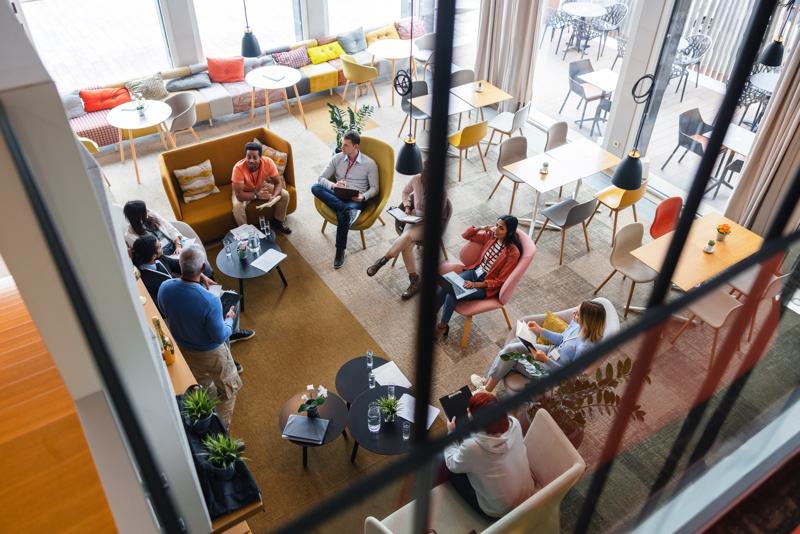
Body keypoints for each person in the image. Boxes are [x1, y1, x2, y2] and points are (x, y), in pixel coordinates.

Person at [157, 246, 254, 427]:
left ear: (180, 264)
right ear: (202, 269)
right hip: (210, 353)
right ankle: (222, 428)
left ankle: (208, 412)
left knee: (203, 384)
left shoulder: (165, 287)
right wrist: (228, 320)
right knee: (228, 390)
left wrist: (201, 281)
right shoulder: (210, 300)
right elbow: (219, 336)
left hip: (184, 350)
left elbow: (164, 311)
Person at [471, 300, 607, 392]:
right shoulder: (576, 324)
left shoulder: (586, 348)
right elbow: (561, 339)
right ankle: (486, 384)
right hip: (551, 351)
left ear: (588, 321)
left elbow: (570, 375)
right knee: (513, 346)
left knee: (511, 357)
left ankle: (485, 390)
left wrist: (545, 360)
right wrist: (540, 330)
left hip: (553, 373)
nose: (573, 314)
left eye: (578, 314)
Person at [443, 391, 535, 519]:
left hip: (498, 511)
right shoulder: (514, 423)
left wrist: (451, 434)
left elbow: (453, 464)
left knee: (448, 465)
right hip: (529, 493)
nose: (468, 411)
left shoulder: (473, 447)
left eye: (470, 412)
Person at [366, 161, 447, 299]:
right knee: (406, 246)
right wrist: (408, 206)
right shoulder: (416, 179)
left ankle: (382, 261)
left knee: (408, 236)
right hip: (414, 217)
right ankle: (415, 280)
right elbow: (405, 192)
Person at [434, 216, 522, 339]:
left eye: (501, 228)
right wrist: (481, 228)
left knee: (452, 292)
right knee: (447, 284)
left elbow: (500, 281)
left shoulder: (513, 253)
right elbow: (466, 235)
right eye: (496, 225)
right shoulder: (491, 236)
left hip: (485, 285)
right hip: (474, 272)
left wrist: (476, 285)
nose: (496, 229)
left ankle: (442, 326)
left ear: (510, 232)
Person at [311, 131, 379, 269]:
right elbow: (321, 178)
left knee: (343, 217)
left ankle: (340, 251)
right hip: (337, 193)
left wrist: (363, 196)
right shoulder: (337, 158)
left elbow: (375, 188)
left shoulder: (369, 164)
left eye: (346, 145)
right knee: (315, 187)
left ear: (356, 146)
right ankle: (345, 208)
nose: (342, 148)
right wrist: (333, 185)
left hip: (356, 198)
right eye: (342, 144)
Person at [231, 141, 292, 234]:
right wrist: (256, 195)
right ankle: (246, 233)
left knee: (285, 194)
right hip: (244, 190)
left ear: (260, 157)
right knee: (237, 207)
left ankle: (277, 222)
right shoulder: (238, 168)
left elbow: (278, 183)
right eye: (248, 157)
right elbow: (239, 195)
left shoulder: (268, 162)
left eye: (255, 157)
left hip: (260, 186)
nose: (251, 160)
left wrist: (274, 196)